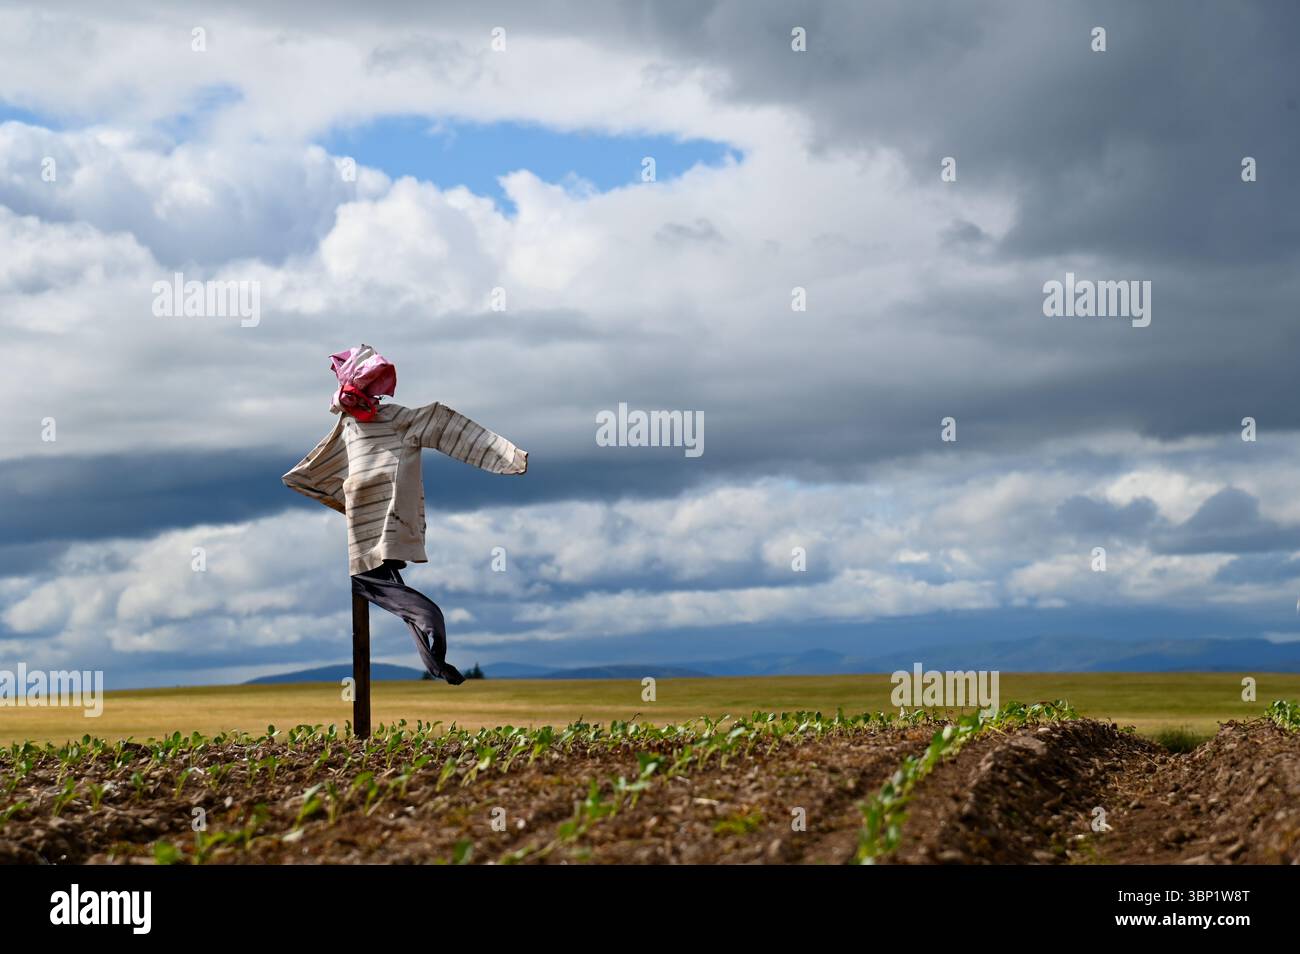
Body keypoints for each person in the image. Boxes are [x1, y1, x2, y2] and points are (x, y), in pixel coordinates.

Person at [282, 344, 528, 684]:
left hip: (383, 523)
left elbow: (445, 425)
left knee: (374, 585)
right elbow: (322, 465)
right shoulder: (350, 427)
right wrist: (327, 490)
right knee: (375, 586)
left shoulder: (397, 420)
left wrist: (506, 456)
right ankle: (434, 651)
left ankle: (432, 627)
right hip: (369, 524)